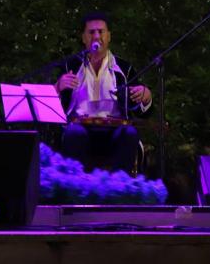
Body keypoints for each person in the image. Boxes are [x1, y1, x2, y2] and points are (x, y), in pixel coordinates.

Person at [55, 13, 152, 174]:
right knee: (73, 133)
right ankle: (75, 189)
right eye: (91, 32)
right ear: (84, 38)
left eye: (101, 32)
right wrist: (57, 87)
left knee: (129, 133)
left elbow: (141, 111)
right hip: (81, 129)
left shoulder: (124, 68)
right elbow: (52, 107)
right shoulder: (69, 66)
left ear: (108, 37)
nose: (96, 36)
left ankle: (119, 189)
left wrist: (146, 96)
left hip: (114, 131)